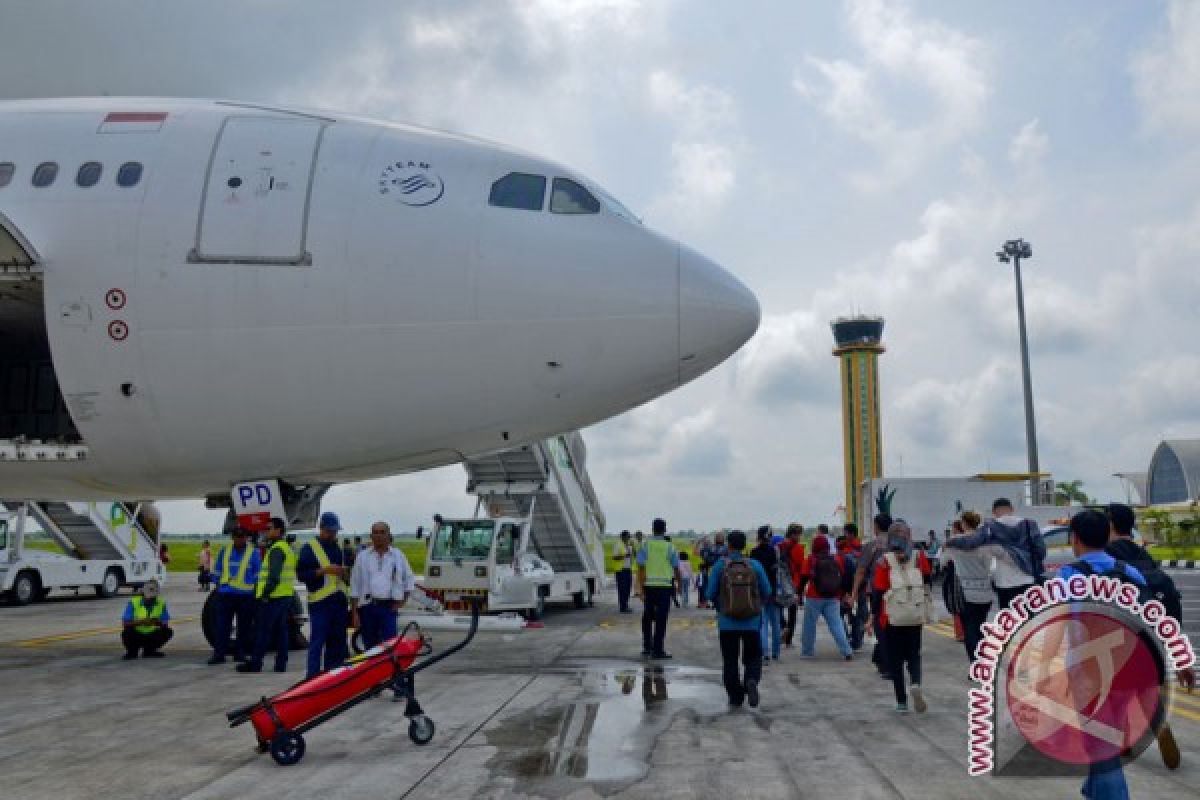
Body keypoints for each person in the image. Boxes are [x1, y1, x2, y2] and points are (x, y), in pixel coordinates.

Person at [1056, 510, 1146, 800]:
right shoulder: (1130, 573)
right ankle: (1093, 790)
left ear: (1075, 538)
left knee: (1101, 745)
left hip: (1087, 669)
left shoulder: (1068, 575)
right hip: (1129, 665)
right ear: (1108, 536)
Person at [705, 530, 771, 707]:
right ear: (744, 545)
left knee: (730, 660)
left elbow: (709, 593)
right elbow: (768, 591)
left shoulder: (720, 566)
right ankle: (751, 680)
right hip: (752, 622)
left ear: (729, 545)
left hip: (727, 623)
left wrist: (721, 606)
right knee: (753, 657)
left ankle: (735, 697)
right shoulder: (754, 565)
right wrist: (756, 606)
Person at [944, 497, 1045, 609]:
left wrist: (951, 541)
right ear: (1012, 509)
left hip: (1004, 583)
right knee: (1027, 621)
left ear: (993, 512)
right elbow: (1041, 551)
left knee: (1009, 621)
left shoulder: (991, 526)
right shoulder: (1029, 524)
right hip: (1027, 580)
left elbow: (971, 542)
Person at [873, 521, 932, 712]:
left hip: (891, 617)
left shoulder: (884, 561)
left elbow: (878, 591)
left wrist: (874, 616)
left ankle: (901, 702)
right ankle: (915, 682)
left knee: (895, 660)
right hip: (914, 614)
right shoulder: (918, 556)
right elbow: (927, 580)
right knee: (914, 654)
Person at [238, 517, 296, 674]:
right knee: (281, 631)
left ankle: (256, 663)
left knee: (263, 631)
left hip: (273, 597)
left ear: (278, 530)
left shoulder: (276, 549)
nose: (266, 531)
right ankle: (281, 664)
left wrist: (264, 594)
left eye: (269, 528)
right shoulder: (286, 548)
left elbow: (274, 577)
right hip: (285, 596)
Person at [297, 511, 351, 679]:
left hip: (339, 603)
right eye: (329, 531)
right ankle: (312, 678)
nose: (332, 534)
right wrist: (324, 571)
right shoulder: (309, 548)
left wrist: (344, 573)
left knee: (337, 643)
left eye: (335, 531)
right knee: (317, 643)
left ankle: (332, 676)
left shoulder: (338, 548)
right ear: (321, 528)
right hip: (320, 604)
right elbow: (302, 575)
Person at [350, 520, 415, 650]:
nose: (379, 536)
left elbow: (409, 579)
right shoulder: (363, 557)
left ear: (388, 535)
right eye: (375, 533)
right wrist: (354, 613)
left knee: (390, 646)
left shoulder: (398, 556)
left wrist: (402, 602)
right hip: (368, 608)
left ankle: (390, 671)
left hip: (388, 608)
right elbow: (355, 585)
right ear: (371, 536)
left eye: (382, 532)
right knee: (370, 648)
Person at [943, 511, 995, 663]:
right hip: (985, 589)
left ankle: (975, 664)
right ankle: (984, 659)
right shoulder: (985, 542)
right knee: (980, 626)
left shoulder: (955, 541)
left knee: (969, 628)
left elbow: (944, 560)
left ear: (964, 523)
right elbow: (990, 567)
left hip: (965, 589)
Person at [207, 528, 262, 665]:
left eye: (242, 537)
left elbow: (258, 574)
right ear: (232, 537)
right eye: (237, 537)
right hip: (226, 595)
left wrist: (256, 590)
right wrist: (218, 584)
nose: (240, 539)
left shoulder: (253, 553)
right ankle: (219, 654)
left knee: (244, 627)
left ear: (246, 538)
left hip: (245, 596)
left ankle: (240, 653)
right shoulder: (224, 552)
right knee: (222, 626)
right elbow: (217, 571)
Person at [849, 513, 893, 679]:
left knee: (881, 627)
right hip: (900, 591)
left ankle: (887, 665)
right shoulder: (901, 544)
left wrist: (854, 593)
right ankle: (881, 658)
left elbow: (860, 571)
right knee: (893, 625)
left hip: (879, 590)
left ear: (876, 526)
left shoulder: (872, 545)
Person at [799, 535, 853, 660]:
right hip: (833, 597)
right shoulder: (836, 559)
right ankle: (846, 650)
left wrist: (799, 594)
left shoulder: (810, 559)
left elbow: (803, 579)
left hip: (814, 597)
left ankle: (807, 652)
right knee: (836, 624)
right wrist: (843, 593)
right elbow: (842, 577)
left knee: (809, 625)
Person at [637, 518, 681, 659]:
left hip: (649, 586)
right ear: (664, 530)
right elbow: (676, 567)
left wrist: (641, 588)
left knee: (647, 617)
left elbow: (641, 568)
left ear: (652, 529)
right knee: (661, 619)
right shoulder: (670, 547)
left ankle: (647, 647)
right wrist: (678, 583)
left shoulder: (645, 546)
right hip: (665, 587)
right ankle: (658, 650)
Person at [749, 526, 782, 663]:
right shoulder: (775, 551)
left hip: (759, 591)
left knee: (762, 623)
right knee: (776, 623)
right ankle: (776, 652)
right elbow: (777, 571)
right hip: (773, 591)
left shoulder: (754, 552)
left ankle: (764, 653)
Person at [120, 579, 172, 659]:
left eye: (153, 596)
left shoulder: (161, 603)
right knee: (127, 632)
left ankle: (149, 651)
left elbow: (165, 623)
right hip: (137, 633)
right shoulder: (134, 602)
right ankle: (132, 652)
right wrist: (141, 622)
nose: (151, 598)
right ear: (143, 593)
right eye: (149, 596)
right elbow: (125, 623)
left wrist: (157, 622)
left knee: (167, 631)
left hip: (151, 633)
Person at [840, 523, 866, 650]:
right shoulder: (863, 549)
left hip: (847, 589)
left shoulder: (845, 550)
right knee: (858, 616)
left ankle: (846, 639)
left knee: (839, 615)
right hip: (861, 588)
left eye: (845, 533)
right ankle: (857, 641)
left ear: (850, 534)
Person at [781, 524, 806, 647]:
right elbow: (801, 567)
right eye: (798, 534)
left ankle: (783, 627)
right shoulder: (798, 548)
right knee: (792, 612)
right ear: (793, 534)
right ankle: (788, 640)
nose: (799, 536)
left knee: (778, 609)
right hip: (794, 582)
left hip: (781, 582)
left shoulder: (780, 546)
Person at [612, 530, 635, 613]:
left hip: (628, 569)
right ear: (623, 536)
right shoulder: (617, 545)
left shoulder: (629, 546)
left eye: (629, 537)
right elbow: (614, 557)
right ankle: (622, 606)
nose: (628, 538)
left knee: (628, 589)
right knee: (622, 589)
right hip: (621, 570)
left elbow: (632, 556)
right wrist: (624, 556)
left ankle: (626, 605)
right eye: (627, 536)